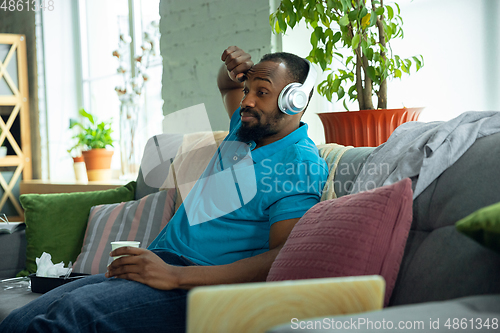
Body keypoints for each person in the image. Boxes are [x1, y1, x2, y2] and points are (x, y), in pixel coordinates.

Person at [0, 46, 328, 333]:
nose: (248, 100)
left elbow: (282, 258)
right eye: (248, 90)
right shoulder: (244, 131)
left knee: (68, 318)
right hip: (160, 264)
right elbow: (227, 83)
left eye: (262, 92)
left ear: (294, 101)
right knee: (22, 317)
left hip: (197, 288)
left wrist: (174, 277)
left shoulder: (298, 163)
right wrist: (231, 69)